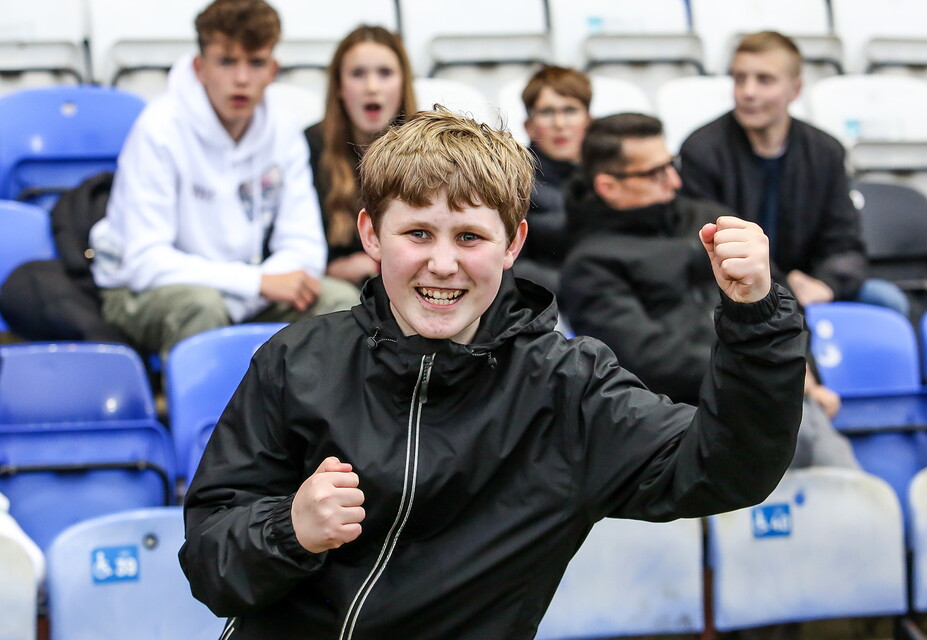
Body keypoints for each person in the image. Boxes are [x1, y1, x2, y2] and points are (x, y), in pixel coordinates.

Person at [179, 108, 807, 639]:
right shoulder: (297, 360)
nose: (443, 263)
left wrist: (755, 318)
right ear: (371, 234)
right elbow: (210, 561)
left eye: (471, 237)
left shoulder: (569, 390)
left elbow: (728, 466)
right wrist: (289, 530)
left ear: (513, 243)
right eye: (418, 232)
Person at [561, 112, 858, 471]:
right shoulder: (590, 264)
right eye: (655, 173)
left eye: (672, 165)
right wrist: (763, 370)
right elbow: (647, 361)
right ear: (609, 186)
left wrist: (802, 370)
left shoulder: (710, 219)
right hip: (687, 420)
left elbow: (778, 299)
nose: (673, 181)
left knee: (847, 490)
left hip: (771, 392)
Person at [88, 0, 358, 358]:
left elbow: (305, 248)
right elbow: (145, 263)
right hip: (141, 293)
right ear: (200, 67)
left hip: (243, 290)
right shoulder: (159, 128)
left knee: (340, 301)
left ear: (273, 69)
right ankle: (205, 416)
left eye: (256, 62)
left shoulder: (283, 129)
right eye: (227, 61)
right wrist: (258, 283)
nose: (242, 78)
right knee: (201, 306)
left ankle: (314, 416)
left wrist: (255, 287)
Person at [678, 31, 910, 315]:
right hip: (735, 286)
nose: (748, 92)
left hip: (810, 281)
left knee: (887, 300)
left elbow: (845, 241)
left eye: (764, 80)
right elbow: (709, 247)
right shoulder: (702, 150)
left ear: (795, 89)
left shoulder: (826, 151)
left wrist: (826, 284)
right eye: (740, 78)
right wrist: (782, 287)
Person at [304, 25, 417, 287]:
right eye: (358, 74)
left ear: (403, 84)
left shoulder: (431, 148)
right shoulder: (308, 146)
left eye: (385, 73)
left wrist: (376, 263)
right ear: (339, 88)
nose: (372, 87)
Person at [512, 66, 592, 294]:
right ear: (528, 126)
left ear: (589, 121)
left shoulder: (611, 173)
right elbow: (511, 264)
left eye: (570, 110)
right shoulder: (511, 180)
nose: (560, 124)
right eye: (546, 112)